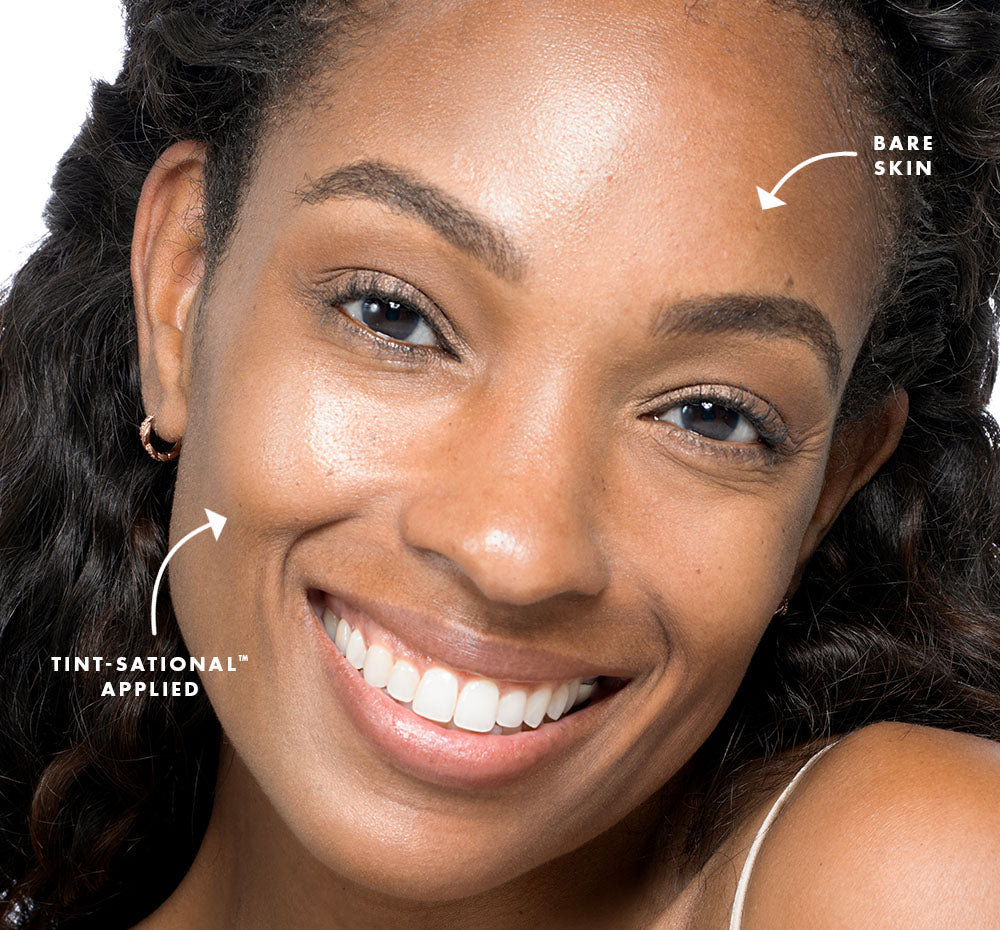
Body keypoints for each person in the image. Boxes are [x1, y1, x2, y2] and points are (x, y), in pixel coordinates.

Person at [1, 0, 999, 927]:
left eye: (710, 415)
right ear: (183, 293)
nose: (515, 552)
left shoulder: (911, 873)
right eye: (393, 316)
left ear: (824, 492)